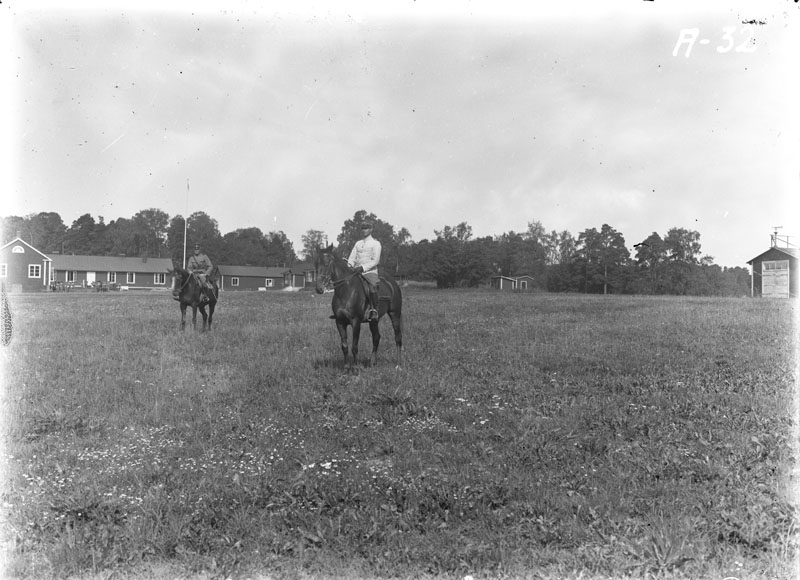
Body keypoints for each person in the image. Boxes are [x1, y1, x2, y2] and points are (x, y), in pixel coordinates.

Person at [347, 222, 382, 322]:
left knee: (371, 287)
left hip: (370, 272)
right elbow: (352, 258)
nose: (364, 230)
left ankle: (374, 310)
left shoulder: (376, 244)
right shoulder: (358, 243)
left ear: (371, 230)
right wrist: (349, 266)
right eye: (363, 228)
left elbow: (375, 261)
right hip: (356, 271)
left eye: (366, 228)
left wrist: (362, 268)